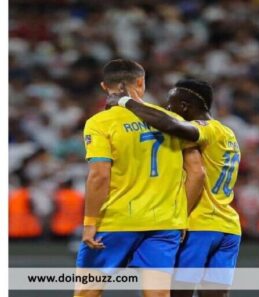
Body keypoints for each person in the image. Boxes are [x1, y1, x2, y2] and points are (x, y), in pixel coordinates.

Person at [74, 60, 205, 297]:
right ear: (140, 82)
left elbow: (99, 176)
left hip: (115, 220)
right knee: (158, 294)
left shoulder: (99, 123)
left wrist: (90, 223)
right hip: (164, 222)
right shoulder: (173, 121)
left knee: (88, 290)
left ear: (105, 86)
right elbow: (197, 173)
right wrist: (180, 214)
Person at [118, 79, 241, 297]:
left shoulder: (207, 130)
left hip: (198, 224)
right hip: (228, 227)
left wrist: (126, 102)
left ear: (184, 107)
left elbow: (170, 125)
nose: (167, 109)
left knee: (176, 293)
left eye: (170, 104)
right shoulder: (228, 133)